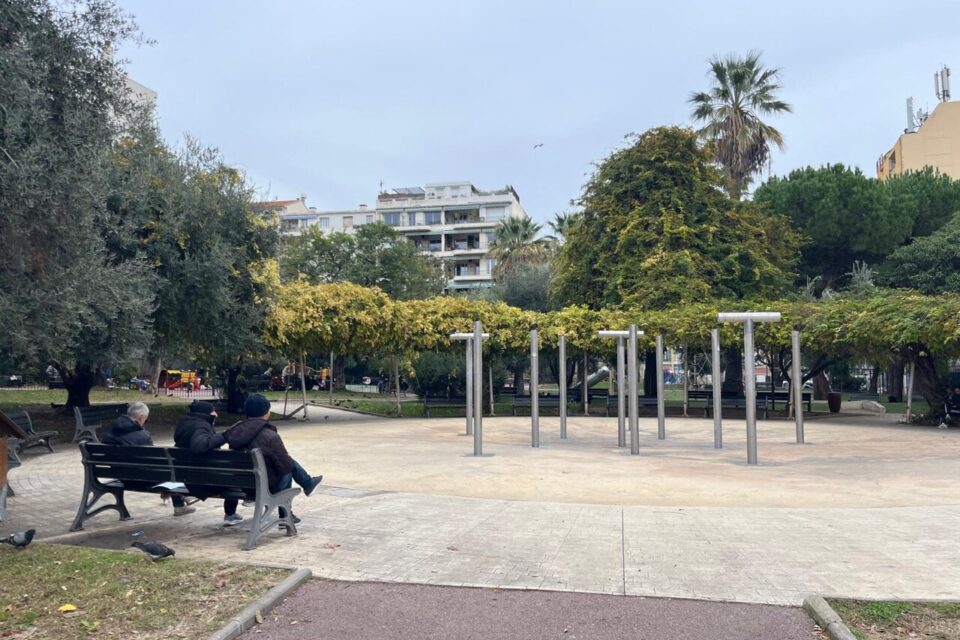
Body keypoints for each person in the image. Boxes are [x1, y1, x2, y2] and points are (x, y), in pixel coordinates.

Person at [224, 394, 323, 525]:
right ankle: (286, 514)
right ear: (267, 413)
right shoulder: (269, 435)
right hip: (264, 486)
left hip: (243, 486)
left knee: (284, 463)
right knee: (288, 467)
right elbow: (286, 466)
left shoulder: (236, 432)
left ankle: (308, 484)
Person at [103, 402, 196, 517]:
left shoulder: (109, 433)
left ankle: (176, 495)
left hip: (120, 476)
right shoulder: (143, 436)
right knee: (172, 469)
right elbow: (154, 461)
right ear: (141, 418)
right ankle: (179, 503)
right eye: (145, 419)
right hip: (141, 480)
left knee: (166, 471)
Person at [173, 400, 244, 526]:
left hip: (187, 476)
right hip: (203, 481)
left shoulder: (184, 424)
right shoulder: (201, 426)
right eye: (213, 411)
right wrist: (224, 436)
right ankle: (230, 514)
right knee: (233, 476)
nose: (216, 414)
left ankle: (231, 513)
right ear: (206, 413)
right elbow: (199, 446)